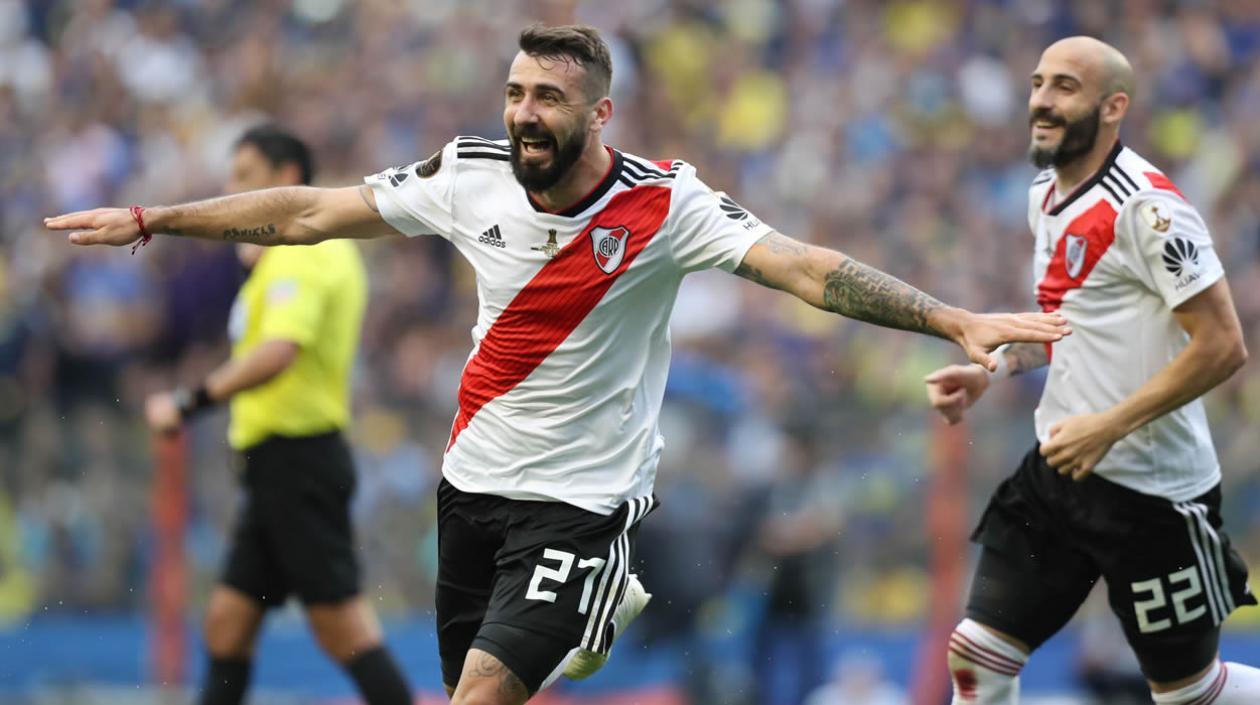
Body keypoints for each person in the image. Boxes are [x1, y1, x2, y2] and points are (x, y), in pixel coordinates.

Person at [47, 24, 1069, 705]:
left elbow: (804, 269)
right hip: (472, 493)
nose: (524, 112)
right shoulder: (467, 174)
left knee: (482, 694)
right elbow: (312, 211)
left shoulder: (667, 205)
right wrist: (156, 218)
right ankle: (589, 614)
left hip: (581, 504)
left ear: (598, 114)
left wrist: (951, 319)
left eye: (547, 98)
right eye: (516, 92)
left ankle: (598, 583)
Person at [924, 36, 1259, 705]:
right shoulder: (1043, 196)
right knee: (976, 659)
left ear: (1114, 107)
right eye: (1038, 83)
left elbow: (1223, 346)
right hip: (1061, 473)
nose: (1042, 101)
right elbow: (1072, 326)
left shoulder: (1149, 208)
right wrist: (995, 366)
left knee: (1189, 694)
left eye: (1065, 87)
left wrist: (1107, 426)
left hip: (1154, 495)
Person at [142, 125, 413, 705]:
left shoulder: (304, 249)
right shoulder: (285, 257)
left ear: (287, 179)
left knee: (343, 629)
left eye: (245, 177)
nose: (229, 189)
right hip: (277, 467)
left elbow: (277, 352)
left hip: (300, 462)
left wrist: (189, 403)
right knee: (227, 623)